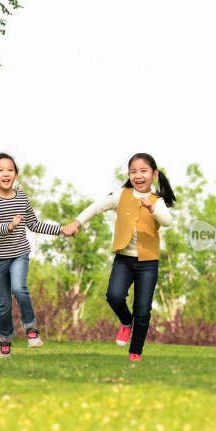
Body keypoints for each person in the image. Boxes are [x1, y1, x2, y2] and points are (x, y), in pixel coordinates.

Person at [62, 153, 175, 361]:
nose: (138, 175)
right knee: (113, 296)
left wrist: (151, 209)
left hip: (148, 262)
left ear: (154, 174)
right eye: (133, 171)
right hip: (124, 259)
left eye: (143, 171)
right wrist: (76, 223)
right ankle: (125, 322)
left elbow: (167, 221)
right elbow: (96, 207)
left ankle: (135, 353)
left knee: (142, 311)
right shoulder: (121, 195)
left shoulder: (157, 201)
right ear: (129, 175)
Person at [0, 153, 66, 358]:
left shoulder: (22, 198)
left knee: (19, 288)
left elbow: (34, 224)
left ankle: (31, 329)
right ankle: (5, 341)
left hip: (19, 253)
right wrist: (10, 226)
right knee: (3, 302)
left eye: (10, 169)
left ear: (16, 174)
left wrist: (60, 229)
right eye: (0, 170)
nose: (6, 173)